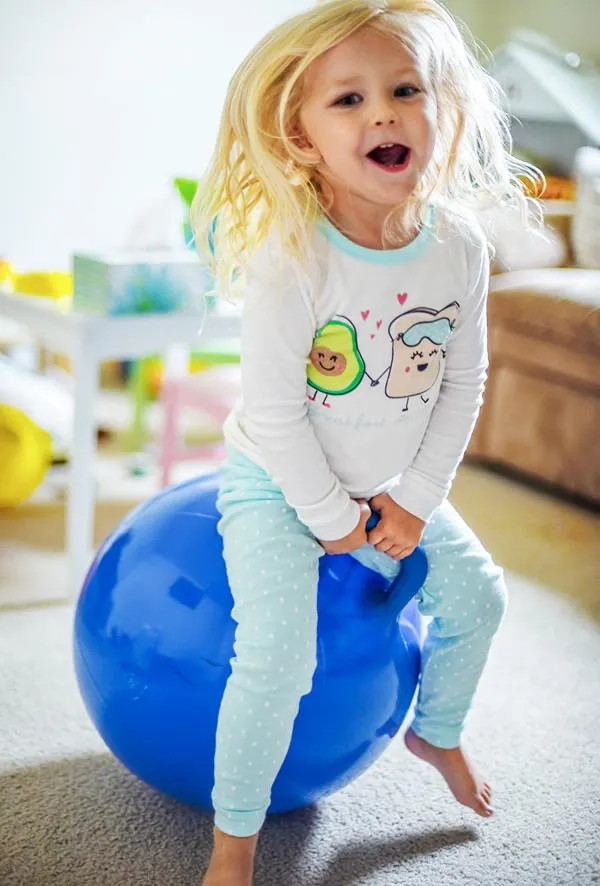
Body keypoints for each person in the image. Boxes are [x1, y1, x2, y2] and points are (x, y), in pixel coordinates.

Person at [191, 1, 537, 882]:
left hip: (394, 485)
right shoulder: (293, 253)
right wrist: (333, 520)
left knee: (483, 598)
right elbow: (271, 412)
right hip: (278, 484)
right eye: (347, 100)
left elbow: (463, 384)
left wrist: (416, 501)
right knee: (279, 655)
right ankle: (235, 842)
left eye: (404, 89)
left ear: (440, 110)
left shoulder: (457, 245)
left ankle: (436, 733)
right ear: (301, 137)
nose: (382, 112)